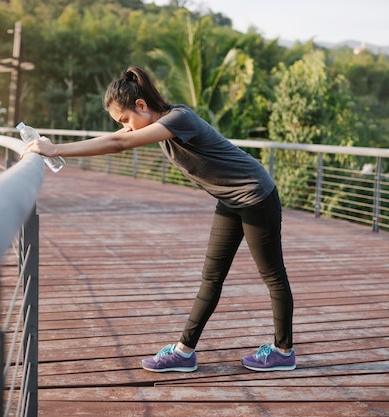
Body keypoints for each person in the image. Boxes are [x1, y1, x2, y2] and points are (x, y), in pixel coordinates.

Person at [22, 66, 295, 373]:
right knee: (211, 277)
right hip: (230, 199)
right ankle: (184, 352)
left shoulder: (180, 119)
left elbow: (118, 144)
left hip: (256, 195)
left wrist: (55, 149)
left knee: (272, 275)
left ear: (141, 106)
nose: (126, 128)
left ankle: (283, 351)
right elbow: (113, 138)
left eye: (126, 120)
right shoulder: (156, 122)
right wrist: (52, 149)